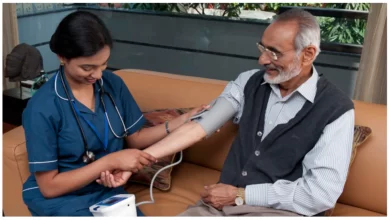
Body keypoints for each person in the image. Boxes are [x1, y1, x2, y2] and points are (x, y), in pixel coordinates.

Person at [98, 8, 355, 216]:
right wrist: (137, 161)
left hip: (281, 212)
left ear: (308, 54)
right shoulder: (248, 82)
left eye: (274, 52)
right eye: (262, 48)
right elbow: (199, 127)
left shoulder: (336, 111)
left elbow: (320, 195)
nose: (263, 60)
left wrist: (241, 194)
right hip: (219, 205)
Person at [21, 11, 204, 217]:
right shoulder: (42, 108)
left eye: (104, 64)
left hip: (105, 192)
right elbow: (49, 187)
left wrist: (181, 121)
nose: (98, 75)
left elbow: (135, 139)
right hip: (59, 199)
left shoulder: (112, 84)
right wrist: (110, 162)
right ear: (62, 57)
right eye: (87, 67)